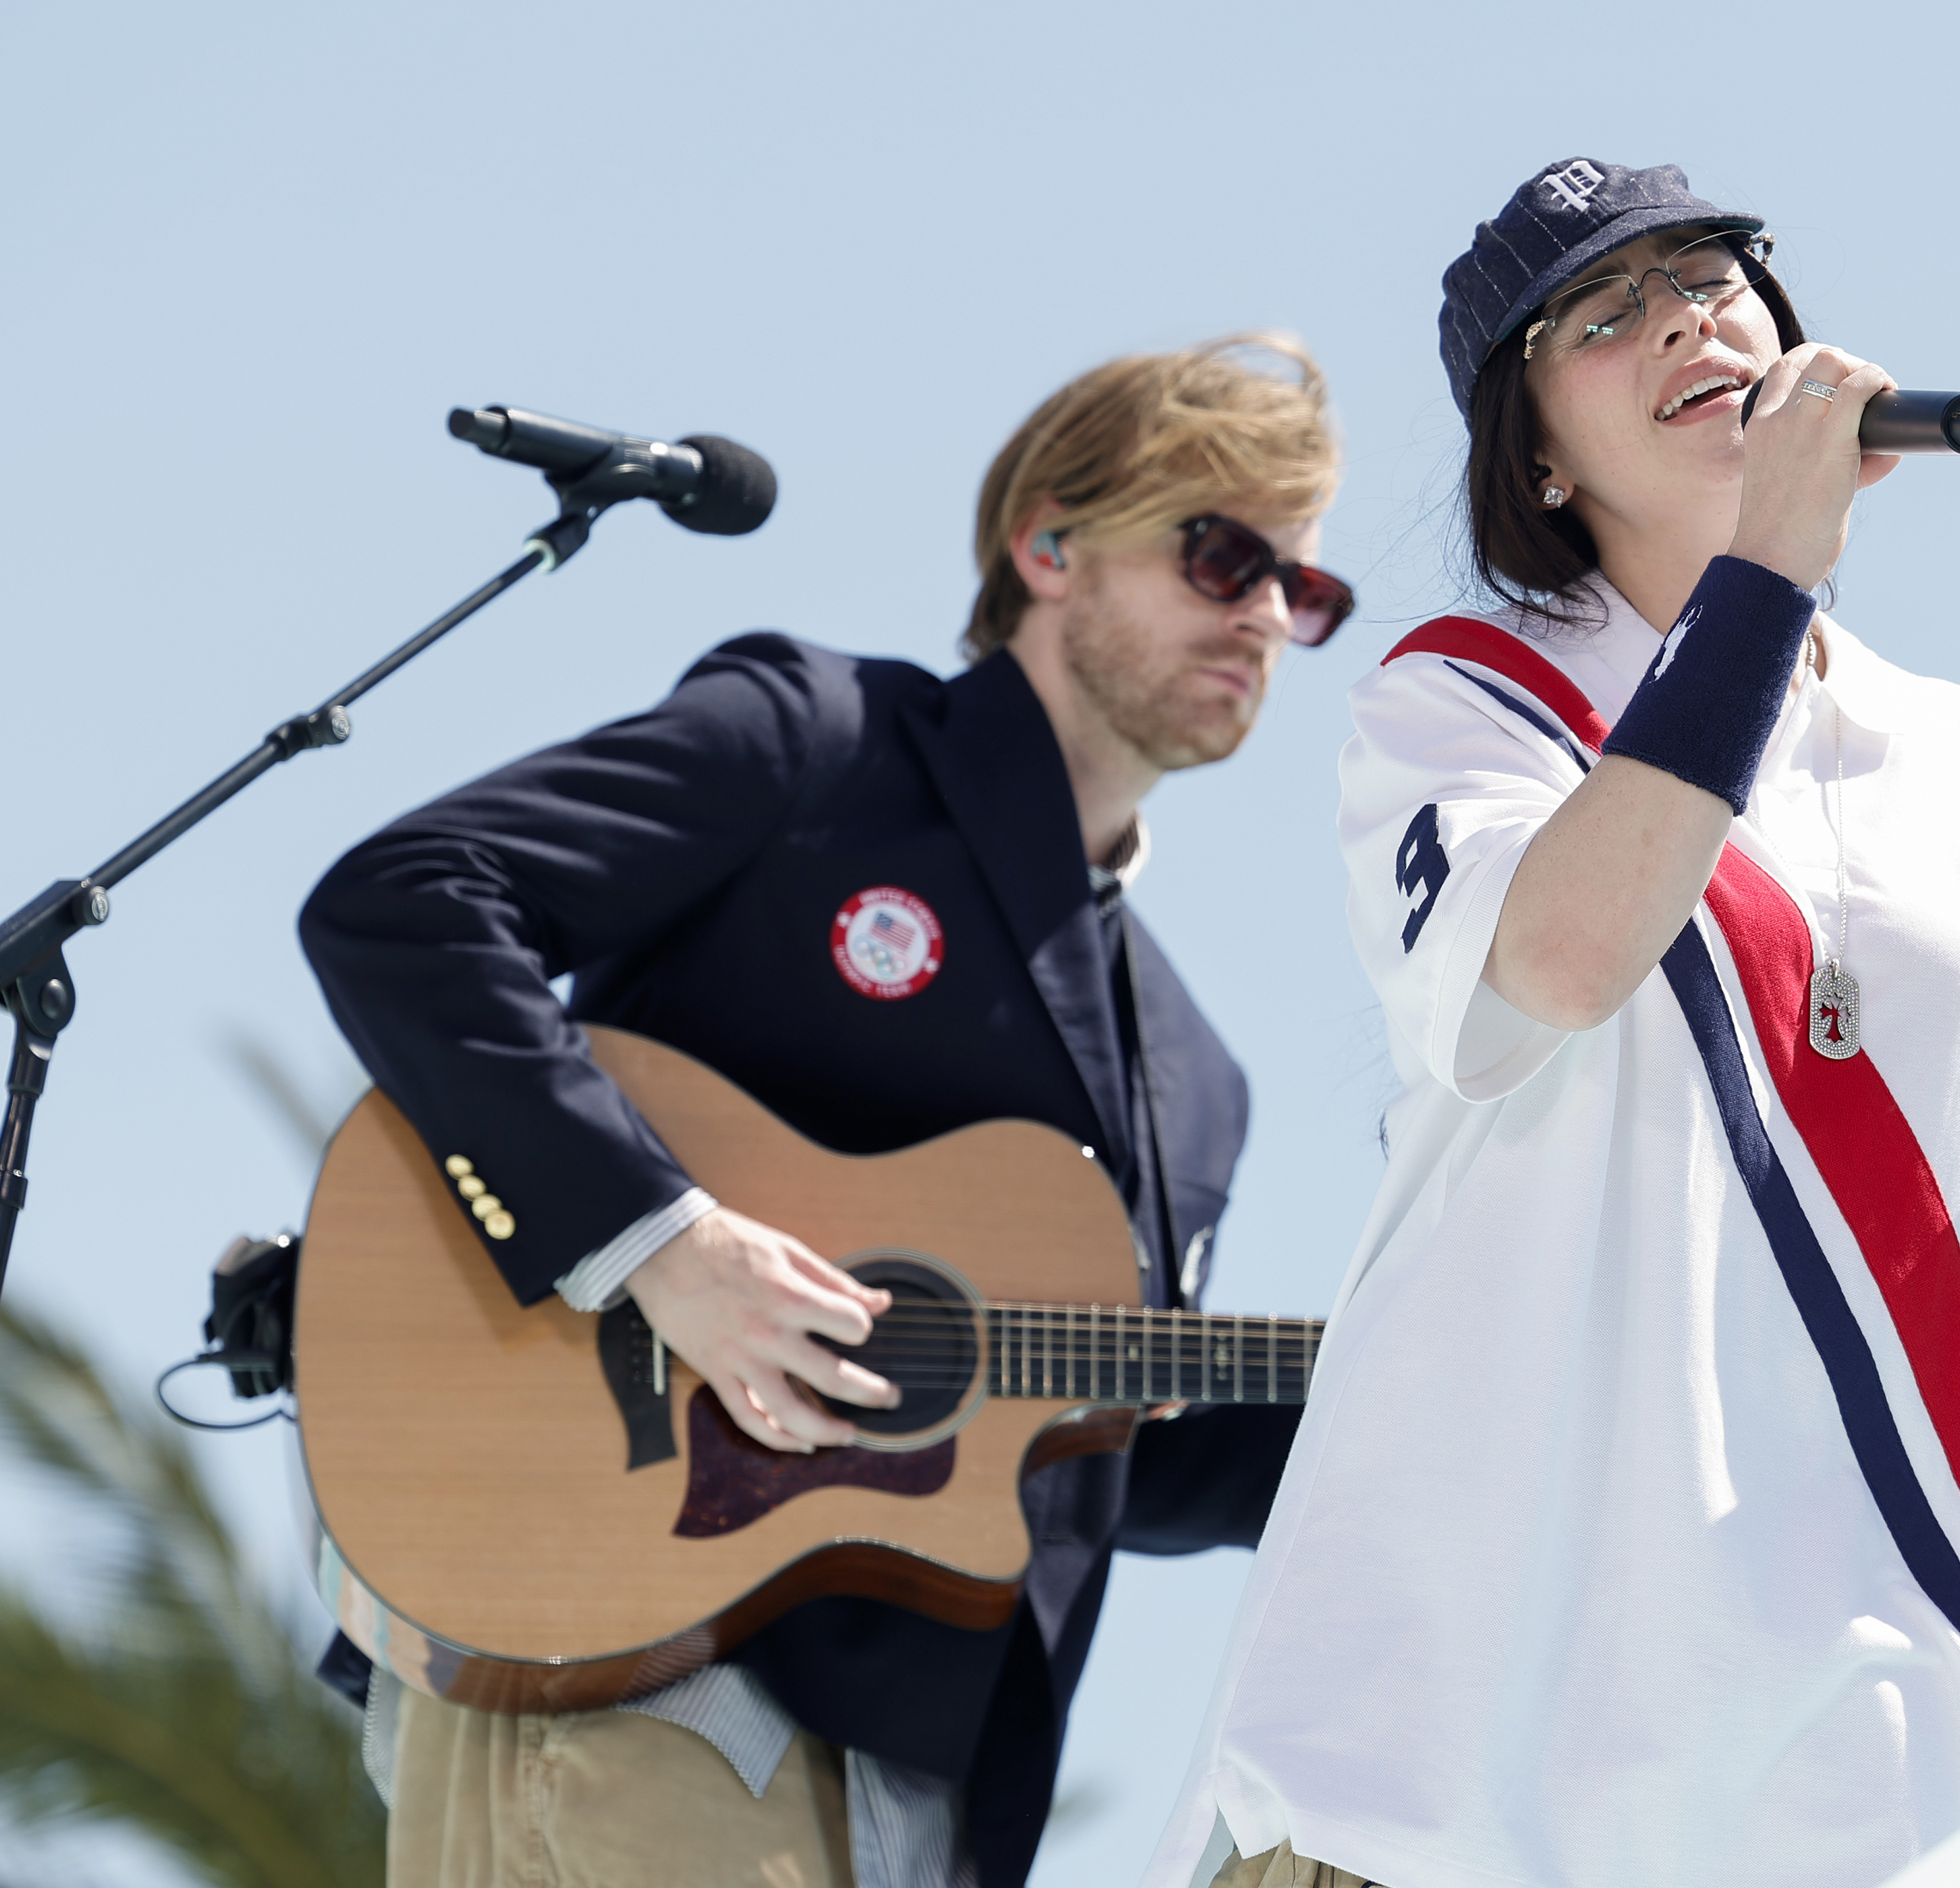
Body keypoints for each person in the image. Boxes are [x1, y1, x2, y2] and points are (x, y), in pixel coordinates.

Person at [1147, 161, 1960, 1888]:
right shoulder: (1472, 697)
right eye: (1603, 315)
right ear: (1537, 453)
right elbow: (1567, 953)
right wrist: (1771, 563)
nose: (1686, 317)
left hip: (1857, 1793)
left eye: (1716, 276)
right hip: (1446, 1779)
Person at [298, 336, 1355, 1888]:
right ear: (1047, 544)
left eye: (1305, 592)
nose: (1267, 613)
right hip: (635, 1678)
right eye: (1223, 555)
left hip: (926, 1781)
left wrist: (1420, 1411)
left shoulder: (1199, 1077)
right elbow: (408, 904)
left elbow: (1096, 1441)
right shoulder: (820, 742)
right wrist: (666, 1240)